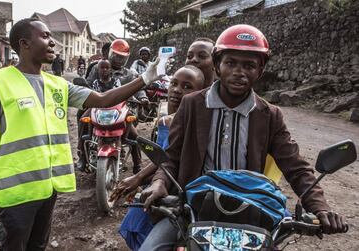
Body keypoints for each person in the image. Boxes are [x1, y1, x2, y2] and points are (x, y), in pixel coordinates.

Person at [139, 24, 347, 251]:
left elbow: (296, 167)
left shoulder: (270, 115)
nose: (239, 72)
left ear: (260, 70)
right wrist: (159, 182)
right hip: (192, 208)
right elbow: (171, 156)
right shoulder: (191, 105)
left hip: (250, 209)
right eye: (231, 63)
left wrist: (320, 208)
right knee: (150, 248)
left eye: (249, 65)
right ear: (217, 66)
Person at [0, 18, 162, 251]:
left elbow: (102, 99)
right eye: (45, 36)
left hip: (48, 189)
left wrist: (145, 79)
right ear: (24, 43)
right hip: (15, 195)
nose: (53, 43)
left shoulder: (57, 85)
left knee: (38, 246)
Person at [111, 65, 205, 251]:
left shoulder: (200, 121)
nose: (177, 90)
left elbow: (169, 156)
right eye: (174, 84)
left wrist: (138, 177)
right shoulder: (164, 119)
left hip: (180, 186)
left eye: (187, 87)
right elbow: (161, 154)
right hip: (160, 180)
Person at [86, 39, 149, 104]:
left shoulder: (128, 74)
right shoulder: (98, 68)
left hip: (120, 108)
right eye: (117, 56)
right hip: (98, 104)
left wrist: (143, 97)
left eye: (122, 58)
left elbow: (137, 88)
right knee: (82, 112)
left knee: (134, 114)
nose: (119, 60)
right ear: (110, 54)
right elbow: (88, 84)